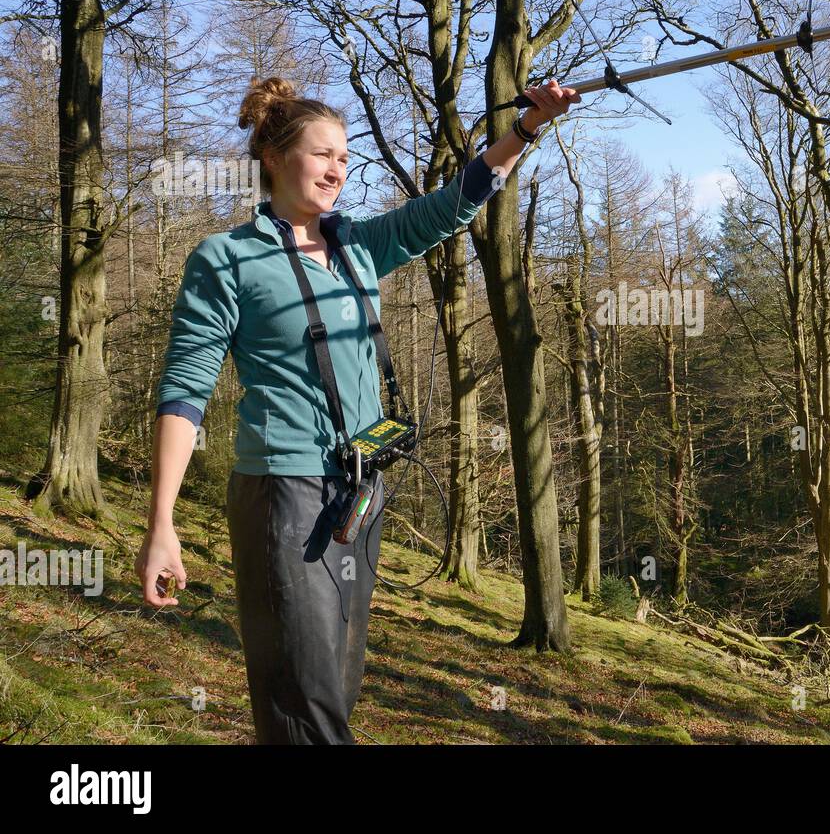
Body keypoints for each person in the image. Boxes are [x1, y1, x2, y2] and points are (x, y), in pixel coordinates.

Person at [135, 75, 580, 744]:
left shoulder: (357, 247)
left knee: (332, 690)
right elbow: (185, 390)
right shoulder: (226, 259)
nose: (337, 168)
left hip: (359, 495)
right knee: (308, 705)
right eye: (322, 154)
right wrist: (160, 520)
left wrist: (527, 127)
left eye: (345, 157)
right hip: (282, 494)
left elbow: (454, 203)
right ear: (275, 158)